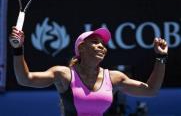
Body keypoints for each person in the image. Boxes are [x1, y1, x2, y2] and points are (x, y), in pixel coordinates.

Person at [9, 26, 168, 116]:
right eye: (95, 42)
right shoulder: (63, 75)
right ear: (81, 48)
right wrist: (18, 49)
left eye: (103, 44)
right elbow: (25, 79)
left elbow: (151, 91)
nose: (102, 46)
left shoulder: (114, 78)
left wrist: (161, 57)